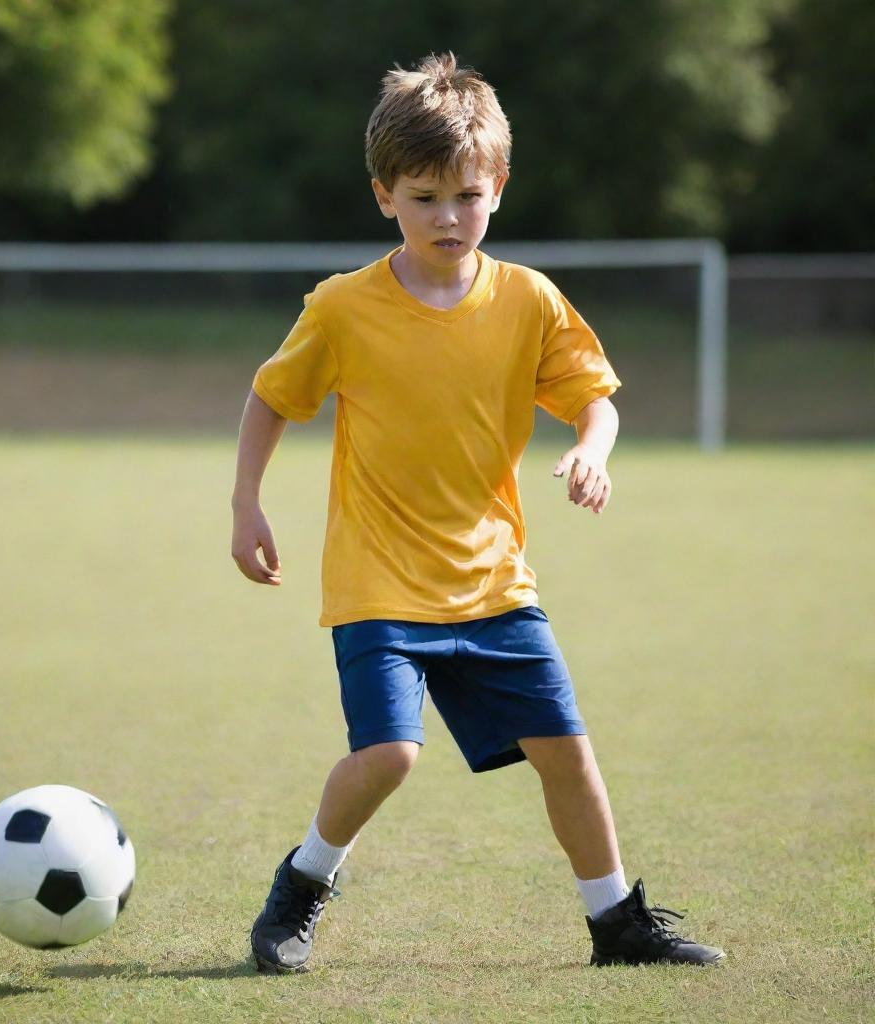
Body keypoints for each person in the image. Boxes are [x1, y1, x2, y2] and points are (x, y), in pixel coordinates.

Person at [230, 52, 724, 973]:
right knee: (389, 757)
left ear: (497, 186)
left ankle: (615, 922)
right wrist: (246, 505)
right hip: (378, 582)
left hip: (495, 581)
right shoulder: (343, 308)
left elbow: (596, 399)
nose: (447, 217)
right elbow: (272, 396)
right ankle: (301, 883)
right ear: (384, 196)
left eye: (465, 194)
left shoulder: (529, 299)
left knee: (567, 751)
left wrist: (589, 449)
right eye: (423, 198)